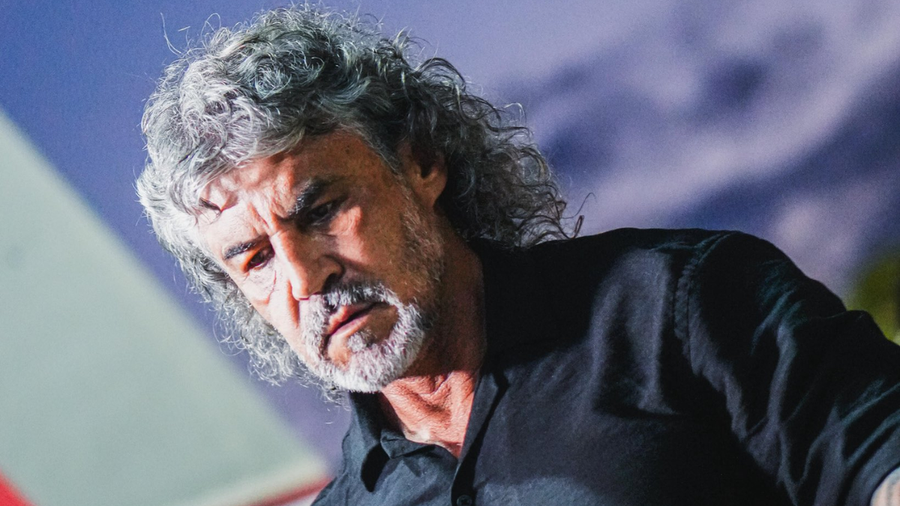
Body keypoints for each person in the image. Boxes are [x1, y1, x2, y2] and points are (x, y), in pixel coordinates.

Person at [137, 6, 900, 506]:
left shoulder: (680, 303)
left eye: (322, 210)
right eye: (255, 260)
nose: (306, 278)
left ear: (421, 163)